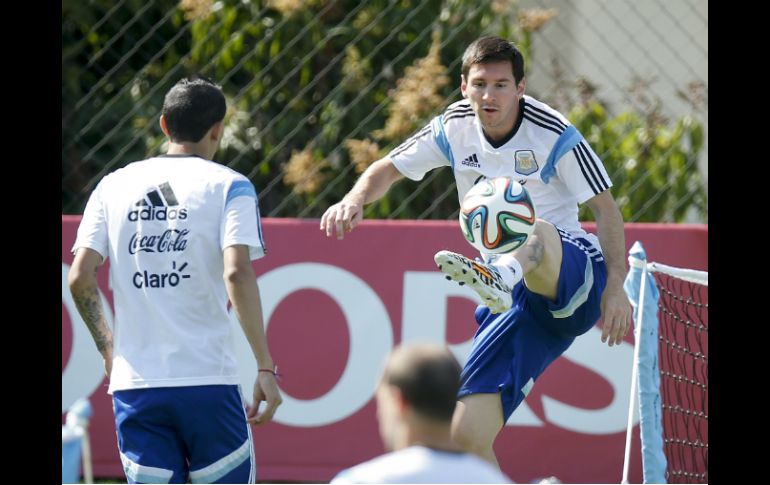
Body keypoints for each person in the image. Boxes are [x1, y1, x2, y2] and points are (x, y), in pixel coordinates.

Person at [320, 36, 632, 467]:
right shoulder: (453, 127)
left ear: (520, 88)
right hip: (518, 305)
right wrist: (353, 199)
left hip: (573, 275)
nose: (490, 95)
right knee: (465, 436)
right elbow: (387, 169)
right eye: (480, 84)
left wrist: (616, 287)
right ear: (464, 85)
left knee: (533, 229)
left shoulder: (553, 131)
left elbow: (606, 209)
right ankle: (501, 279)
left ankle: (501, 275)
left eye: (501, 85)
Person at [68, 75, 282, 484]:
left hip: (136, 386)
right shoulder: (231, 186)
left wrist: (109, 350)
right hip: (209, 383)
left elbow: (80, 277)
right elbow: (236, 271)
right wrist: (265, 368)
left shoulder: (112, 186)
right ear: (217, 130)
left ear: (164, 124)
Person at [331, 343, 512, 483]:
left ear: (398, 401)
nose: (378, 414)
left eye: (381, 404)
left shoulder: (359, 481)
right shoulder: (496, 481)